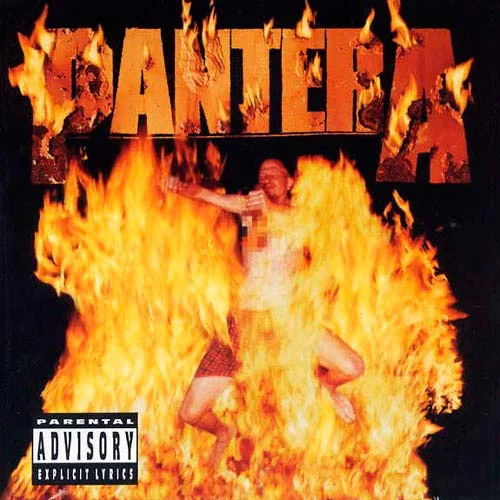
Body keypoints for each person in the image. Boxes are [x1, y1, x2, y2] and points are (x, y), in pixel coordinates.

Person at [169, 158, 365, 470]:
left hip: (286, 321)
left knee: (352, 366)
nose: (267, 177)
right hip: (242, 325)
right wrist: (179, 187)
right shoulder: (252, 212)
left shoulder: (300, 215)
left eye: (274, 173)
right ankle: (224, 432)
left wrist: (263, 207)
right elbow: (206, 195)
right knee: (190, 412)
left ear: (290, 183)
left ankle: (325, 386)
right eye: (262, 174)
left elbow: (296, 221)